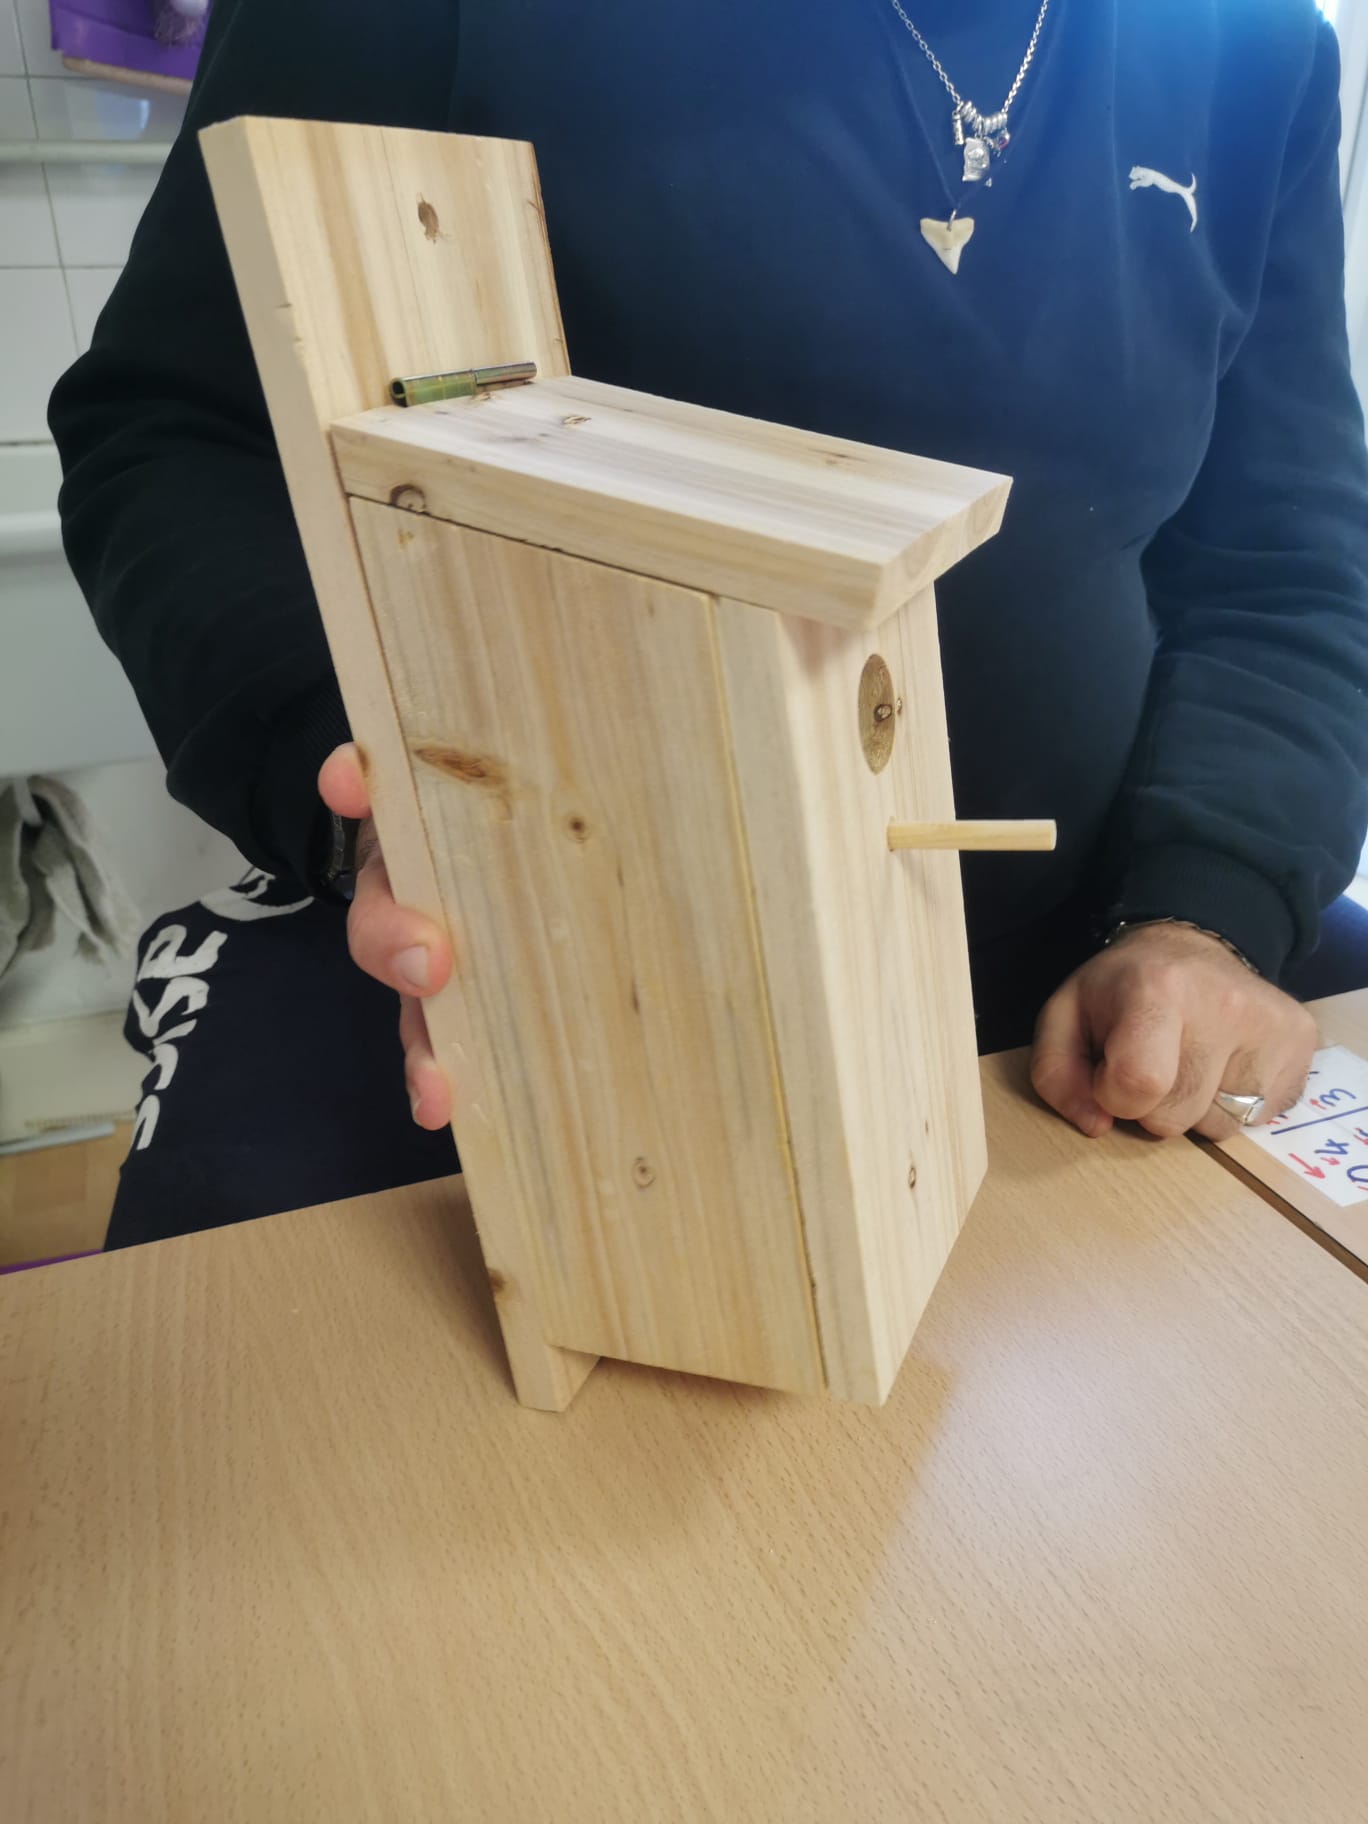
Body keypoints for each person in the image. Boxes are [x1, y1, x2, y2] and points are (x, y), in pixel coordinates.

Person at [49, 0, 1368, 1247]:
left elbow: (1287, 555)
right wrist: (384, 796)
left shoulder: (1256, 49)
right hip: (519, 956)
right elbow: (184, 438)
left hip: (1084, 963)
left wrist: (1207, 909)